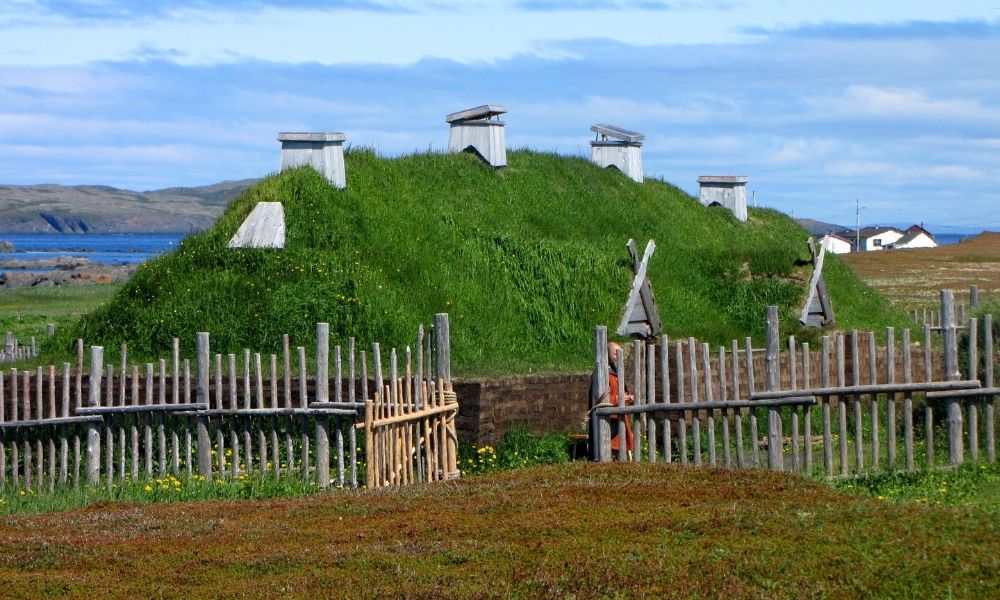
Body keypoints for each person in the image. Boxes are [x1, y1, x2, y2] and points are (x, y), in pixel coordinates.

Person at [588, 341, 634, 460]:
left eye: (620, 354)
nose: (618, 357)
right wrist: (616, 399)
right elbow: (598, 399)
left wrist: (628, 398)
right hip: (607, 424)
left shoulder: (617, 374)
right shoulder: (600, 375)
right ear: (608, 355)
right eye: (615, 354)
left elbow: (621, 394)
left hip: (619, 424)